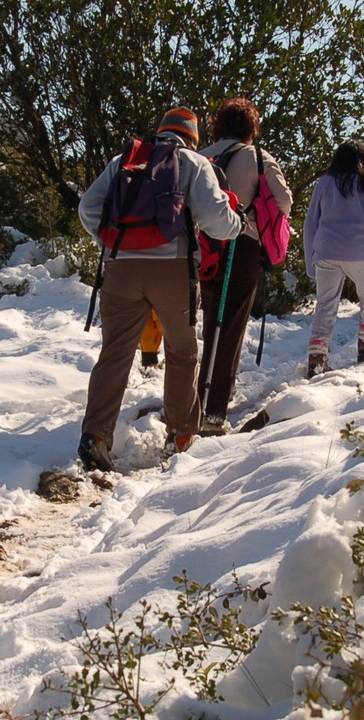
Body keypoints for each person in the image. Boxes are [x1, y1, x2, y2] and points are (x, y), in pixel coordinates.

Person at [77, 108, 242, 470]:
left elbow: (87, 208)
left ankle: (96, 435)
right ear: (192, 138)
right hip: (173, 270)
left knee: (115, 352)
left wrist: (113, 242)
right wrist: (237, 223)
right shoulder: (194, 163)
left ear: (161, 132)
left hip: (120, 268)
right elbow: (217, 221)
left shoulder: (125, 161)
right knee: (182, 352)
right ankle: (181, 434)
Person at [196, 98, 293, 434]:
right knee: (230, 327)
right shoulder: (257, 157)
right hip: (241, 246)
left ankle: (196, 399)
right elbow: (284, 201)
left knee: (211, 323)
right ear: (252, 128)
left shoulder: (200, 157)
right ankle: (213, 412)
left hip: (204, 247)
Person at [301, 140, 364, 377]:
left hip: (326, 252)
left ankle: (317, 357)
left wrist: (311, 263)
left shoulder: (324, 184)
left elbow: (310, 225)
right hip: (357, 251)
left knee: (326, 304)